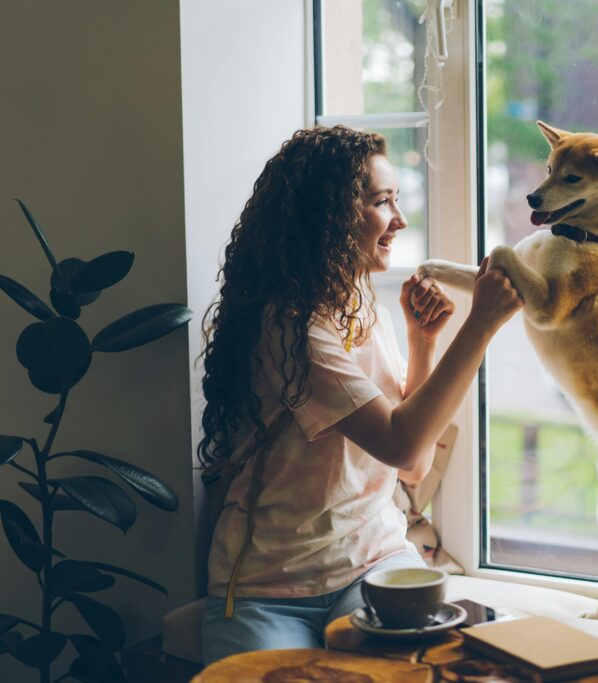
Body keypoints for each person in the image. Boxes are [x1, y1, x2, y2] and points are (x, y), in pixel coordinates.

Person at [196, 126, 523, 663]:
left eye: (397, 200)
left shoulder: (360, 306)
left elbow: (411, 470)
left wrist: (423, 343)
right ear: (328, 217)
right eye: (382, 202)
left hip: (372, 560)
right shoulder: (289, 326)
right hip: (265, 588)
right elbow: (403, 446)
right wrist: (480, 324)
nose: (400, 219)